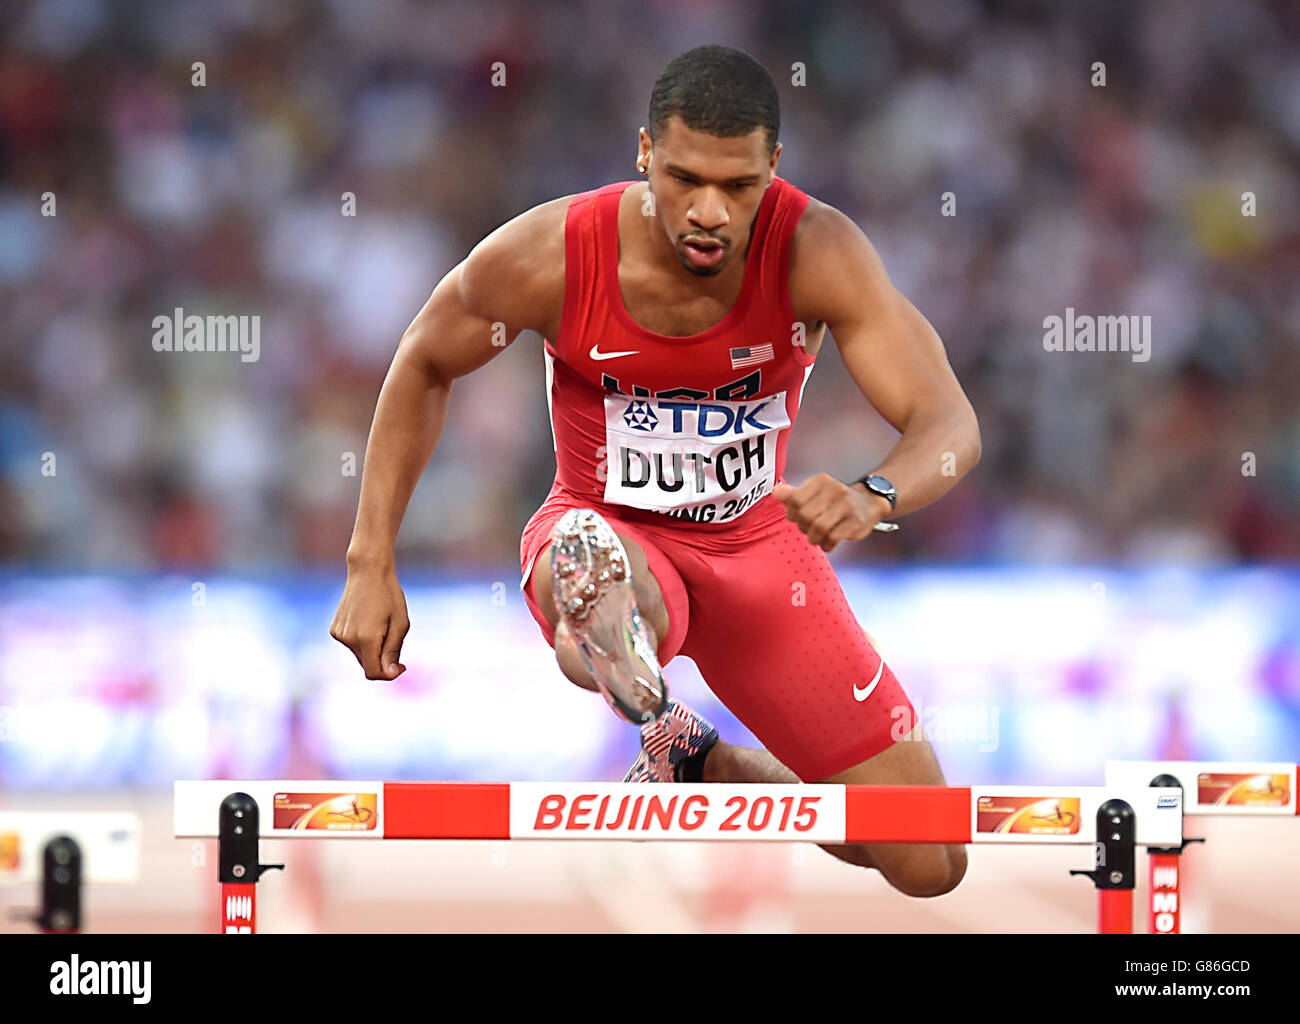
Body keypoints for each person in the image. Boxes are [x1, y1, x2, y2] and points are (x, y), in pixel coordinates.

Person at [332, 45, 980, 898]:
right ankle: (625, 664)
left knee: (927, 859)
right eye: (683, 179)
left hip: (760, 558)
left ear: (773, 169)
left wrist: (875, 493)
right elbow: (423, 361)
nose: (709, 211)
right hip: (611, 535)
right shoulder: (554, 254)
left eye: (739, 188)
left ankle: (698, 757)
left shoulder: (818, 252)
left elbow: (948, 424)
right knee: (602, 583)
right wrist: (371, 559)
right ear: (643, 152)